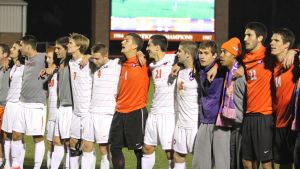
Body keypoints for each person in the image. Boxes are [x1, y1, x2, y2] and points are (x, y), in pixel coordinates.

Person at [109, 33, 149, 169]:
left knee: (140, 151)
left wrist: (141, 54)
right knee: (114, 147)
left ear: (135, 46)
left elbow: (172, 55)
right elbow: (98, 57)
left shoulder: (144, 62)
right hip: (119, 111)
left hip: (136, 111)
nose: (122, 42)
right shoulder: (121, 62)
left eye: (127, 40)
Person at [11, 35, 47, 169]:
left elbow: (57, 60)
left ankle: (37, 167)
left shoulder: (43, 57)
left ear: (27, 46)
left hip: (36, 104)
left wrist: (51, 67)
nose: (20, 48)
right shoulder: (24, 59)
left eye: (21, 45)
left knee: (37, 137)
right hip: (22, 103)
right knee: (16, 134)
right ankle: (16, 165)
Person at [241, 22, 274, 169]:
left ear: (260, 38)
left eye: (249, 35)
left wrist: (294, 52)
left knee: (266, 163)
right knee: (247, 162)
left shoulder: (270, 55)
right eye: (245, 35)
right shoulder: (244, 58)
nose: (245, 38)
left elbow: (290, 51)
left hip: (265, 116)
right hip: (248, 116)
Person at [142, 35, 176, 169]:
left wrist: (179, 64)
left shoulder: (173, 59)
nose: (147, 48)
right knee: (147, 148)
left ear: (157, 47)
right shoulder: (152, 65)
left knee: (170, 152)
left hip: (168, 114)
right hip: (154, 112)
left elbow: (191, 55)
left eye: (149, 45)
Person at [192, 40, 227, 169]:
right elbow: (183, 54)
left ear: (214, 55)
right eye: (200, 53)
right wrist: (178, 64)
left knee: (220, 164)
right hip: (204, 121)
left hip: (220, 122)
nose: (202, 56)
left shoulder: (223, 69)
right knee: (199, 164)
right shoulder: (200, 68)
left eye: (206, 53)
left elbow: (238, 60)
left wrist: (217, 65)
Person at [87, 43, 121, 169]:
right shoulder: (94, 67)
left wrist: (139, 53)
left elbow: (131, 58)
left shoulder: (115, 65)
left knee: (103, 148)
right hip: (91, 112)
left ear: (106, 55)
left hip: (106, 113)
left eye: (97, 58)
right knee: (87, 146)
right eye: (93, 58)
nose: (94, 61)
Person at [270, 28, 299, 169]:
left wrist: (295, 51)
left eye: (276, 40)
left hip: (293, 125)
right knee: (283, 165)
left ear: (286, 45)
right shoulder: (273, 67)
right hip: (278, 124)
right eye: (271, 40)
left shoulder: (295, 63)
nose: (271, 43)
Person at [67, 33, 95, 169]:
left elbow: (105, 60)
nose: (68, 45)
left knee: (88, 145)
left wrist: (89, 56)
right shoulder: (71, 62)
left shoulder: (90, 62)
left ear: (78, 46)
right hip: (76, 111)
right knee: (72, 142)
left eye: (70, 43)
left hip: (88, 111)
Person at [218, 37, 246, 169]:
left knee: (242, 162)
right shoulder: (228, 70)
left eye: (224, 52)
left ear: (234, 54)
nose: (221, 55)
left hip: (242, 125)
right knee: (233, 161)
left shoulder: (240, 74)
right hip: (233, 124)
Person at [172, 40, 198, 169]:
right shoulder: (181, 71)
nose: (177, 54)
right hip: (180, 124)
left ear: (188, 54)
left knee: (198, 159)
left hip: (195, 125)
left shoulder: (200, 72)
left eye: (180, 51)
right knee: (178, 156)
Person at [49, 36, 73, 169]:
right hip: (61, 107)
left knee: (70, 144)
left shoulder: (72, 62)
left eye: (59, 48)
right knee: (57, 141)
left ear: (67, 49)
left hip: (70, 108)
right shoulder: (62, 63)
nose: (56, 50)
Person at [2, 41, 25, 169]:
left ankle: (18, 165)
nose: (11, 49)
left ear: (20, 51)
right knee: (6, 134)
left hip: (18, 104)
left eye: (14, 48)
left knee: (17, 136)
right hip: (9, 103)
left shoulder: (25, 65)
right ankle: (8, 164)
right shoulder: (14, 65)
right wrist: (7, 59)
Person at [42, 46, 60, 169]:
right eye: (46, 57)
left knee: (63, 144)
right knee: (50, 144)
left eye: (49, 57)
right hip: (51, 114)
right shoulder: (48, 74)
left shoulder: (61, 70)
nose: (47, 60)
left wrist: (54, 67)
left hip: (61, 114)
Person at [0, 43, 12, 167]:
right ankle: (1, 159)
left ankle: (10, 162)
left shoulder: (10, 65)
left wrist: (8, 60)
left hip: (6, 105)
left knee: (7, 135)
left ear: (5, 54)